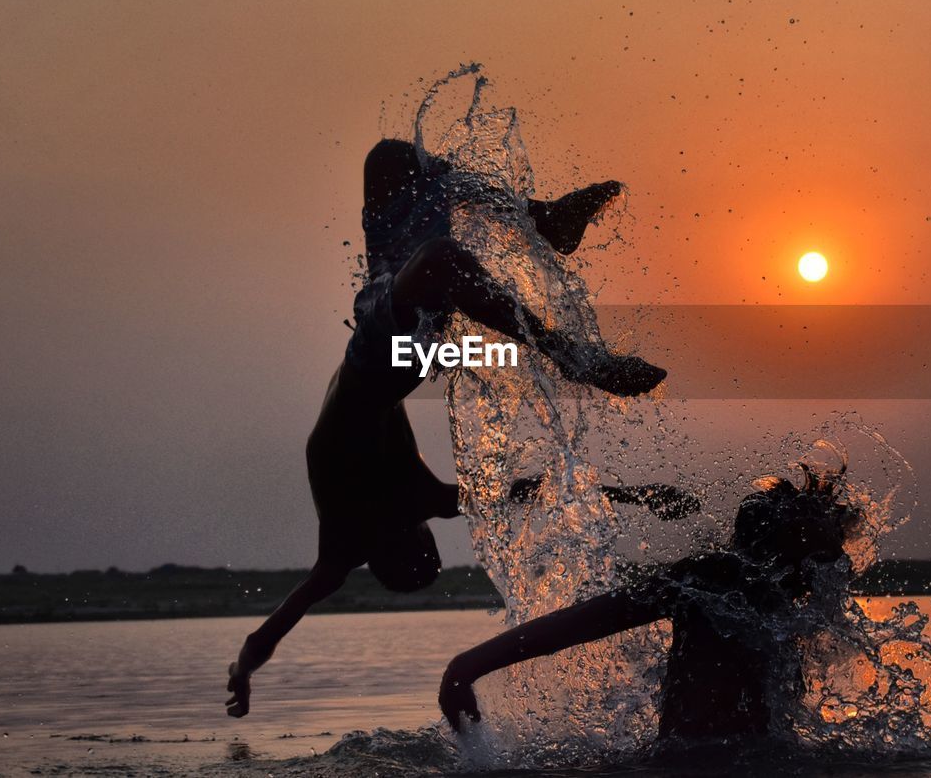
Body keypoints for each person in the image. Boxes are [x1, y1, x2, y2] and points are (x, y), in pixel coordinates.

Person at [225, 139, 669, 718]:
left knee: (396, 166)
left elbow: (268, 636)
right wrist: (640, 497)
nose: (425, 525)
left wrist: (243, 670)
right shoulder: (394, 517)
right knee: (436, 254)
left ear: (409, 543)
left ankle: (543, 220)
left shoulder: (355, 540)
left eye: (422, 537)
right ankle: (564, 353)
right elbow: (529, 493)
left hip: (388, 348)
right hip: (392, 357)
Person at [438, 466, 857, 744]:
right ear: (791, 541)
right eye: (829, 545)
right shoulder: (711, 581)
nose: (841, 562)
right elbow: (580, 624)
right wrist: (467, 668)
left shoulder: (790, 610)